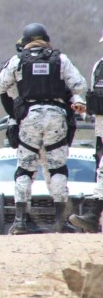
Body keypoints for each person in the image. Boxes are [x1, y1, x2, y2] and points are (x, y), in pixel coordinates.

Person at [0, 23, 87, 235]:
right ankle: (61, 222)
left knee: (25, 168)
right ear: (46, 39)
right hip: (56, 116)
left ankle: (19, 222)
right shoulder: (60, 59)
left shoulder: (17, 61)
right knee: (57, 168)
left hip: (29, 116)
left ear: (25, 41)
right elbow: (79, 85)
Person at [69, 30, 103, 233]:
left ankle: (92, 216)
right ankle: (92, 217)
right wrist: (85, 108)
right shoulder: (99, 67)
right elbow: (95, 98)